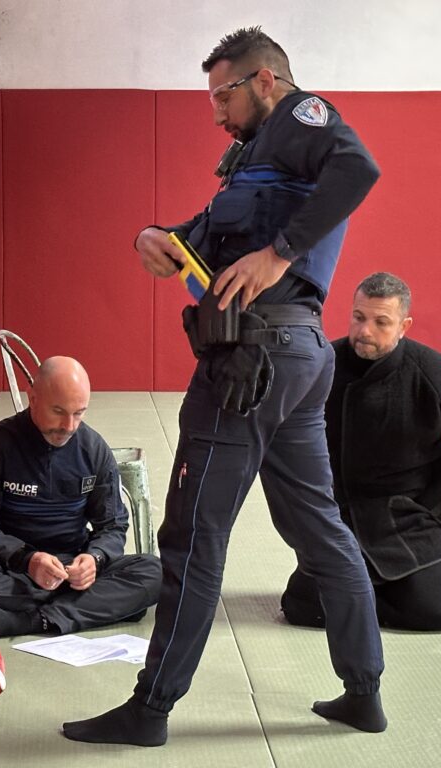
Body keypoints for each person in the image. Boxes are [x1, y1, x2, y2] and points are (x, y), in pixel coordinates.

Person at [62, 27, 386, 747]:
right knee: (318, 526)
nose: (215, 112)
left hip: (255, 362)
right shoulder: (255, 158)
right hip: (293, 361)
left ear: (265, 80)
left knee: (193, 537)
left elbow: (358, 169)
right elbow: (207, 234)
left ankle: (150, 709)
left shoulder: (302, 118)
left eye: (223, 95)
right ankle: (364, 693)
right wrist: (155, 236)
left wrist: (279, 255)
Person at [281, 273, 441, 631]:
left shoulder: (430, 373)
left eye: (381, 322)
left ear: (404, 326)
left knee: (437, 611)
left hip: (411, 517)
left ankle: (402, 588)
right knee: (306, 609)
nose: (365, 331)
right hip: (341, 518)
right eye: (359, 317)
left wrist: (437, 507)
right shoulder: (324, 365)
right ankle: (375, 594)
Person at [0, 356, 162, 638]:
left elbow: (112, 525)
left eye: (79, 413)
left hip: (70, 563)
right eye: (58, 411)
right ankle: (94, 607)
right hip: (11, 566)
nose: (69, 425)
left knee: (154, 572)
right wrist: (27, 559)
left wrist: (95, 558)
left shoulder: (94, 449)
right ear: (33, 399)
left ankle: (32, 621)